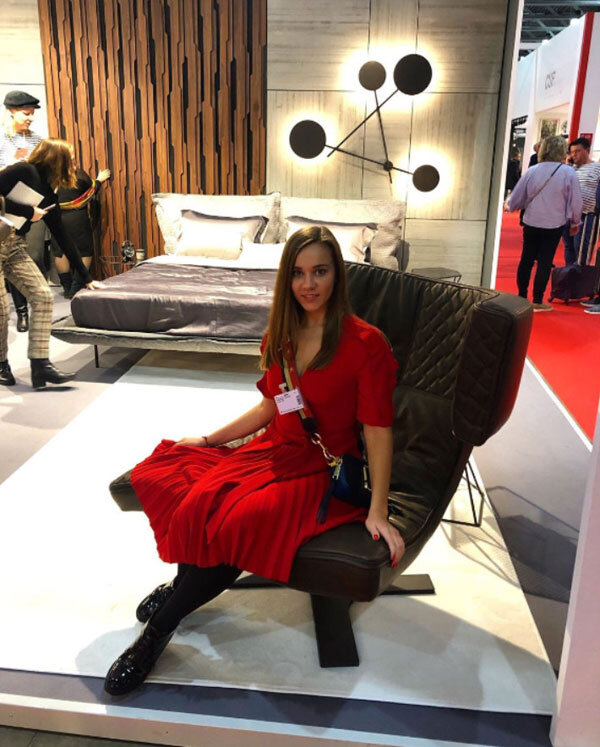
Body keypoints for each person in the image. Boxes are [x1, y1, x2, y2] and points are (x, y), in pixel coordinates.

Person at [103, 225, 405, 696]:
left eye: (320, 271)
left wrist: (378, 509)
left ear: (337, 275)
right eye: (298, 273)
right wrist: (209, 439)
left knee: (235, 525)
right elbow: (269, 407)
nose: (309, 284)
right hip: (270, 453)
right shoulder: (281, 336)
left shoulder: (365, 344)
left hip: (318, 471)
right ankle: (179, 589)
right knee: (190, 492)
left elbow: (377, 430)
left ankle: (157, 632)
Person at [0, 138, 102, 388]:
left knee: (43, 297)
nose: (75, 165)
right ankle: (1, 364)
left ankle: (40, 366)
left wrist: (86, 278)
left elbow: (62, 235)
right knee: (1, 310)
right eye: (71, 159)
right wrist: (27, 212)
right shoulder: (23, 170)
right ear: (57, 160)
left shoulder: (49, 192)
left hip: (14, 245)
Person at [505, 135, 582, 311]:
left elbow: (517, 196)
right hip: (554, 223)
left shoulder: (532, 170)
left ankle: (521, 296)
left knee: (526, 259)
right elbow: (575, 201)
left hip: (531, 221)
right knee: (545, 261)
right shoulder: (568, 172)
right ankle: (538, 300)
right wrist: (575, 222)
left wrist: (510, 206)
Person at [0, 90, 46, 333]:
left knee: (31, 255)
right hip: (4, 206)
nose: (30, 118)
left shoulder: (37, 140)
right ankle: (21, 312)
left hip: (29, 205)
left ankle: (31, 309)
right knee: (8, 258)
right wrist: (10, 168)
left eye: (32, 114)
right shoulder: (1, 139)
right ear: (11, 111)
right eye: (25, 114)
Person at [52, 163, 111, 298]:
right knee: (85, 251)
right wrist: (99, 180)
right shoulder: (78, 175)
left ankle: (67, 288)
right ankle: (76, 288)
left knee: (61, 252)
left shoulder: (51, 176)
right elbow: (91, 190)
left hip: (57, 218)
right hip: (77, 218)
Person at [562, 138, 600, 267]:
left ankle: (580, 276)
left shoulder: (597, 168)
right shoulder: (570, 169)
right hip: (568, 215)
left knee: (581, 249)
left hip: (586, 215)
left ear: (587, 150)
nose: (574, 155)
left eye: (577, 151)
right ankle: (569, 273)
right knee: (568, 247)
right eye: (572, 152)